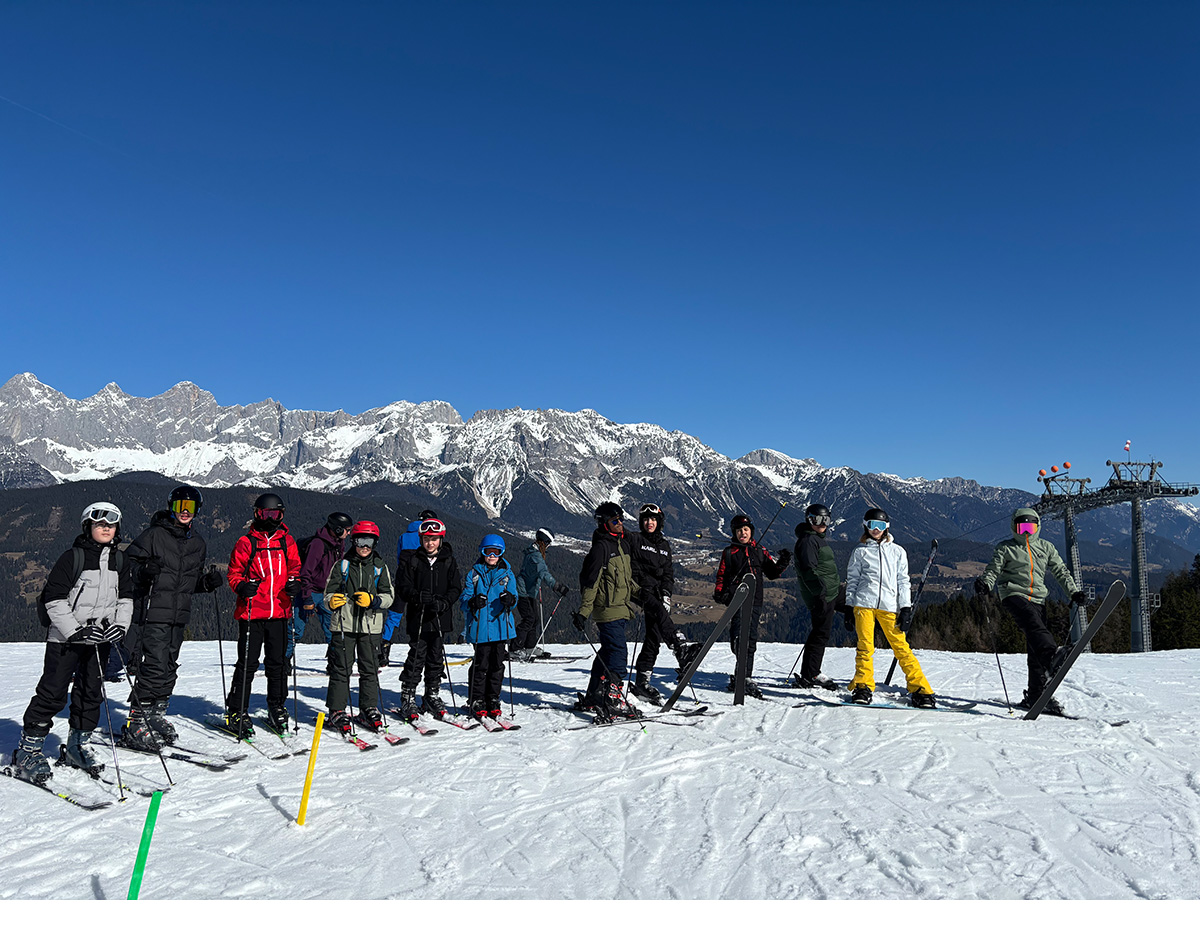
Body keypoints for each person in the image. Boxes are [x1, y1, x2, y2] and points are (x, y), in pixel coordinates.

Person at [12, 502, 133, 784]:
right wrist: (75, 632)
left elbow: (126, 598)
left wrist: (120, 626)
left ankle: (78, 745)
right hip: (64, 640)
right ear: (87, 527)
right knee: (52, 693)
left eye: (111, 524)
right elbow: (53, 599)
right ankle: (28, 751)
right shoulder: (72, 558)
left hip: (99, 640)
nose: (106, 528)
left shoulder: (120, 561)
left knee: (90, 693)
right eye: (99, 524)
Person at [120, 486, 223, 750]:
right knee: (154, 667)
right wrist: (144, 570)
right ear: (171, 507)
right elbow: (125, 566)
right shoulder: (154, 535)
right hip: (153, 612)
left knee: (169, 667)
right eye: (180, 506)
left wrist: (206, 583)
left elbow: (188, 582)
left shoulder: (197, 543)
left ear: (197, 511)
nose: (185, 512)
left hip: (179, 615)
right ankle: (136, 723)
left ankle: (155, 715)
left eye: (190, 507)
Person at [975, 507, 1085, 715]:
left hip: (1038, 599)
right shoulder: (1006, 548)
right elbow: (993, 569)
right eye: (1022, 528)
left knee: (1035, 646)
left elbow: (1061, 571)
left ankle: (1036, 694)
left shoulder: (1046, 547)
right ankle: (1051, 656)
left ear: (1037, 527)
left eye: (1030, 527)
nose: (1026, 532)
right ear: (1014, 527)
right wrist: (986, 584)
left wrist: (1074, 592)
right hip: (1013, 594)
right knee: (1034, 626)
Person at [224, 493, 302, 738]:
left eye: (275, 514)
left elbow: (295, 569)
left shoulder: (287, 541)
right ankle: (237, 710)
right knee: (247, 664)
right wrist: (240, 586)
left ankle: (277, 706)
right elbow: (234, 572)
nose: (270, 519)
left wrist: (295, 584)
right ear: (257, 514)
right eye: (266, 514)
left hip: (279, 611)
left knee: (278, 664)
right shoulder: (246, 542)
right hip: (252, 613)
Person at [844, 508, 935, 707]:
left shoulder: (897, 552)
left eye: (880, 525)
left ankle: (920, 689)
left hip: (889, 606)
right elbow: (852, 581)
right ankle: (862, 686)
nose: (876, 530)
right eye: (872, 525)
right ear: (865, 526)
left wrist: (905, 608)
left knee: (901, 647)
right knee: (865, 647)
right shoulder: (860, 552)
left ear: (887, 527)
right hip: (863, 604)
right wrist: (849, 606)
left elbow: (903, 581)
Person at [571, 502, 641, 719]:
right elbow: (591, 584)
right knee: (618, 653)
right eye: (614, 521)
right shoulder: (601, 548)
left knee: (607, 653)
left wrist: (643, 595)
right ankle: (612, 698)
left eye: (621, 519)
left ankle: (594, 694)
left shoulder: (622, 545)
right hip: (607, 610)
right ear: (604, 524)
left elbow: (626, 581)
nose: (620, 523)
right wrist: (583, 612)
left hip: (621, 609)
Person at [323, 521, 393, 734]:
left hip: (370, 627)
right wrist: (331, 601)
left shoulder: (380, 567)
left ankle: (368, 708)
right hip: (343, 625)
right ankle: (337, 710)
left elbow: (389, 596)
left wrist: (374, 600)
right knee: (341, 669)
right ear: (353, 541)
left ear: (375, 543)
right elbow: (327, 593)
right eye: (360, 540)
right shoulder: (342, 566)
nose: (364, 546)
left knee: (370, 669)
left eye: (369, 541)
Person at [713, 513, 790, 699]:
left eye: (746, 530)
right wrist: (720, 592)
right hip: (737, 601)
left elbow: (772, 573)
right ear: (734, 533)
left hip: (755, 601)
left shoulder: (759, 550)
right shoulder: (729, 553)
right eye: (739, 531)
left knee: (750, 641)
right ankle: (741, 674)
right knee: (739, 638)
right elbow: (722, 575)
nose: (743, 533)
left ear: (751, 531)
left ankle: (745, 676)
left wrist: (783, 562)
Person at [396, 517, 462, 721]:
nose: (430, 543)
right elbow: (402, 587)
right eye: (426, 539)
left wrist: (445, 602)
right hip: (419, 618)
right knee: (416, 658)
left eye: (434, 539)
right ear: (421, 540)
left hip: (440, 618)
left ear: (440, 540)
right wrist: (417, 597)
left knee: (436, 658)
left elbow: (456, 588)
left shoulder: (448, 561)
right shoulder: (413, 560)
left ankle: (432, 694)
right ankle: (408, 696)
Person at [629, 503, 695, 704]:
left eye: (653, 519)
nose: (649, 523)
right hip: (641, 590)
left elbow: (668, 573)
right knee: (658, 613)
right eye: (646, 519)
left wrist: (666, 593)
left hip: (658, 593)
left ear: (659, 522)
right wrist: (646, 586)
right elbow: (633, 568)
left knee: (654, 636)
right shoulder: (636, 539)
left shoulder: (665, 545)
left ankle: (642, 682)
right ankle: (679, 646)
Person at [461, 534, 519, 720]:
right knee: (481, 665)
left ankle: (493, 698)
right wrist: (472, 602)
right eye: (488, 552)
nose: (492, 556)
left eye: (496, 552)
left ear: (501, 553)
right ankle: (477, 699)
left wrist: (510, 600)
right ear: (482, 552)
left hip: (501, 628)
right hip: (481, 629)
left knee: (497, 665)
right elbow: (464, 599)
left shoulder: (507, 574)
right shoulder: (474, 574)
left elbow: (515, 597)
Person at [295, 511, 353, 675]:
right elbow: (305, 573)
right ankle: (283, 663)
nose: (349, 533)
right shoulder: (318, 545)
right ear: (338, 529)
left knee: (333, 630)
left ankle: (334, 664)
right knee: (296, 630)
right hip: (311, 592)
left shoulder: (338, 543)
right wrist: (307, 597)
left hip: (327, 594)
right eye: (347, 530)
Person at [792, 503, 841, 690]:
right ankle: (811, 674)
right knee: (820, 633)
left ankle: (810, 672)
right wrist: (819, 593)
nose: (822, 524)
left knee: (857, 607)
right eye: (818, 520)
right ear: (809, 520)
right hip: (822, 595)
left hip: (832, 591)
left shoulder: (816, 538)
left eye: (826, 520)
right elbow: (807, 571)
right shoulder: (808, 541)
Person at [512, 527, 569, 661]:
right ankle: (515, 649)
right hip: (522, 592)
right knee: (529, 619)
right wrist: (557, 586)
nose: (548, 546)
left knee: (535, 619)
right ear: (544, 542)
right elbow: (544, 573)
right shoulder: (536, 556)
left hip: (529, 591)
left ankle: (529, 647)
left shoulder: (533, 552)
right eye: (548, 543)